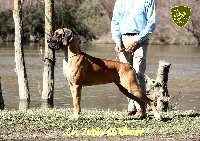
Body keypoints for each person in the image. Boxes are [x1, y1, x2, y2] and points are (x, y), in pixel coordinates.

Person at [111, 0, 156, 118]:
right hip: (123, 39)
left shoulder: (148, 0)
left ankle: (141, 109)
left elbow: (151, 23)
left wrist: (137, 40)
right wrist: (117, 41)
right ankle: (131, 108)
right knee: (125, 75)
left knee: (138, 73)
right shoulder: (120, 1)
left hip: (140, 40)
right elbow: (115, 22)